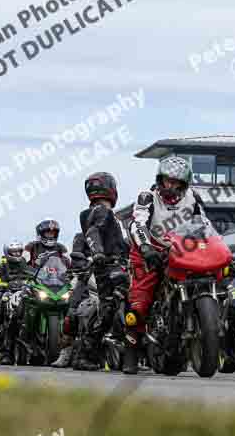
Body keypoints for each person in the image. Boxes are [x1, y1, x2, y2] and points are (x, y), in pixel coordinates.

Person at [125, 156, 209, 374]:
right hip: (148, 251)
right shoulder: (147, 197)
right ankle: (131, 350)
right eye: (167, 180)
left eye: (176, 182)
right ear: (160, 180)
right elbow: (138, 223)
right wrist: (145, 248)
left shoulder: (193, 198)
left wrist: (213, 247)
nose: (170, 185)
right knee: (140, 303)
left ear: (184, 184)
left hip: (181, 251)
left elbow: (205, 227)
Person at [71, 172, 130, 371]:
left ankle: (129, 354)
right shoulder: (101, 211)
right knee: (110, 308)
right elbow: (92, 233)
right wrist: (97, 254)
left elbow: (121, 243)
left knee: (123, 305)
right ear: (112, 189)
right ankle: (85, 354)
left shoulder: (100, 212)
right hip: (109, 266)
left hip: (115, 264)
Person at [51, 232, 90, 368]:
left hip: (110, 277)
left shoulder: (113, 234)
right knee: (73, 311)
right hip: (87, 278)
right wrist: (81, 267)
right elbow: (76, 258)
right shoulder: (81, 237)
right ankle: (65, 353)